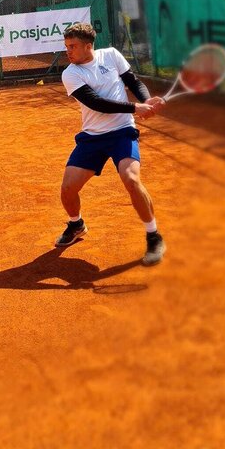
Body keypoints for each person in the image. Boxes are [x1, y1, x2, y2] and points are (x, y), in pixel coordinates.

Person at [55, 22, 166, 266]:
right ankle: (76, 224)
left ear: (88, 46)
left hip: (121, 132)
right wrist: (136, 107)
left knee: (131, 179)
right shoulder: (70, 73)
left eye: (72, 46)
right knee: (67, 189)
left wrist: (147, 100)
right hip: (92, 136)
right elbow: (96, 103)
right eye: (66, 46)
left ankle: (153, 235)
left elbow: (133, 81)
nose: (68, 51)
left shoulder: (111, 55)